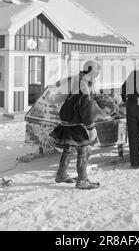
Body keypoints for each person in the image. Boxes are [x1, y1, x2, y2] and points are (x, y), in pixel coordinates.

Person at [50, 60, 101, 190]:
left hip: (67, 120)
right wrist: (91, 127)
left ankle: (61, 174)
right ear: (91, 71)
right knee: (83, 149)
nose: (98, 73)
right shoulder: (85, 86)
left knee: (69, 148)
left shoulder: (77, 79)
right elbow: (86, 110)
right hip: (76, 123)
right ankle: (82, 180)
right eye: (97, 70)